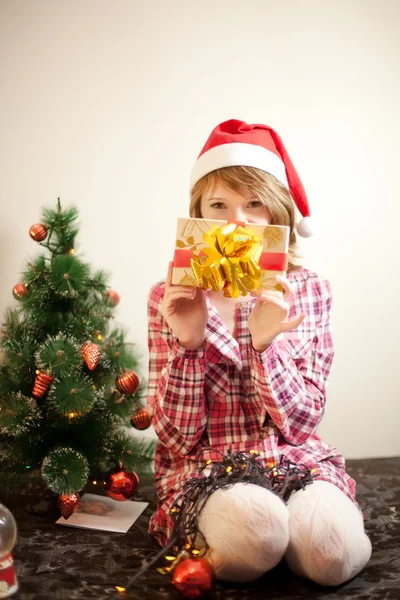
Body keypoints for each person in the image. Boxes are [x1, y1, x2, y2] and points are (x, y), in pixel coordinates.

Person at [146, 119, 372, 586]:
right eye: (219, 204)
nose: (237, 220)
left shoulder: (308, 291)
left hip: (295, 461)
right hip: (205, 472)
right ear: (199, 214)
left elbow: (304, 422)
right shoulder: (168, 297)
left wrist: (265, 346)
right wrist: (188, 345)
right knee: (255, 531)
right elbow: (175, 440)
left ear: (278, 214)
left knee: (331, 550)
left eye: (254, 204)